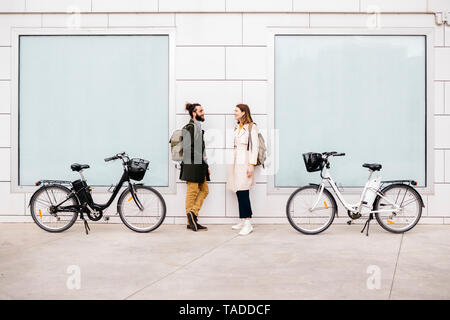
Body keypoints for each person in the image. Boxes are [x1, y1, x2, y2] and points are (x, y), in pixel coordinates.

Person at [226, 104, 259, 236]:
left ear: (244, 112)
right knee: (238, 191)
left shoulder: (252, 127)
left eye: (236, 111)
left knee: (243, 191)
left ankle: (248, 223)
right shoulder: (237, 127)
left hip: (245, 163)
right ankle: (242, 219)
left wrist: (251, 165)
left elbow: (255, 147)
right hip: (236, 162)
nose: (234, 113)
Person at [180, 103, 210, 232]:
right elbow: (187, 148)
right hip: (192, 165)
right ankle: (191, 220)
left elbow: (201, 150)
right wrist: (201, 159)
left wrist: (206, 165)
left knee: (205, 190)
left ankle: (192, 214)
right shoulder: (190, 127)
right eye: (201, 110)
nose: (203, 112)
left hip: (199, 165)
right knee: (192, 192)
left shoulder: (198, 127)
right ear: (194, 113)